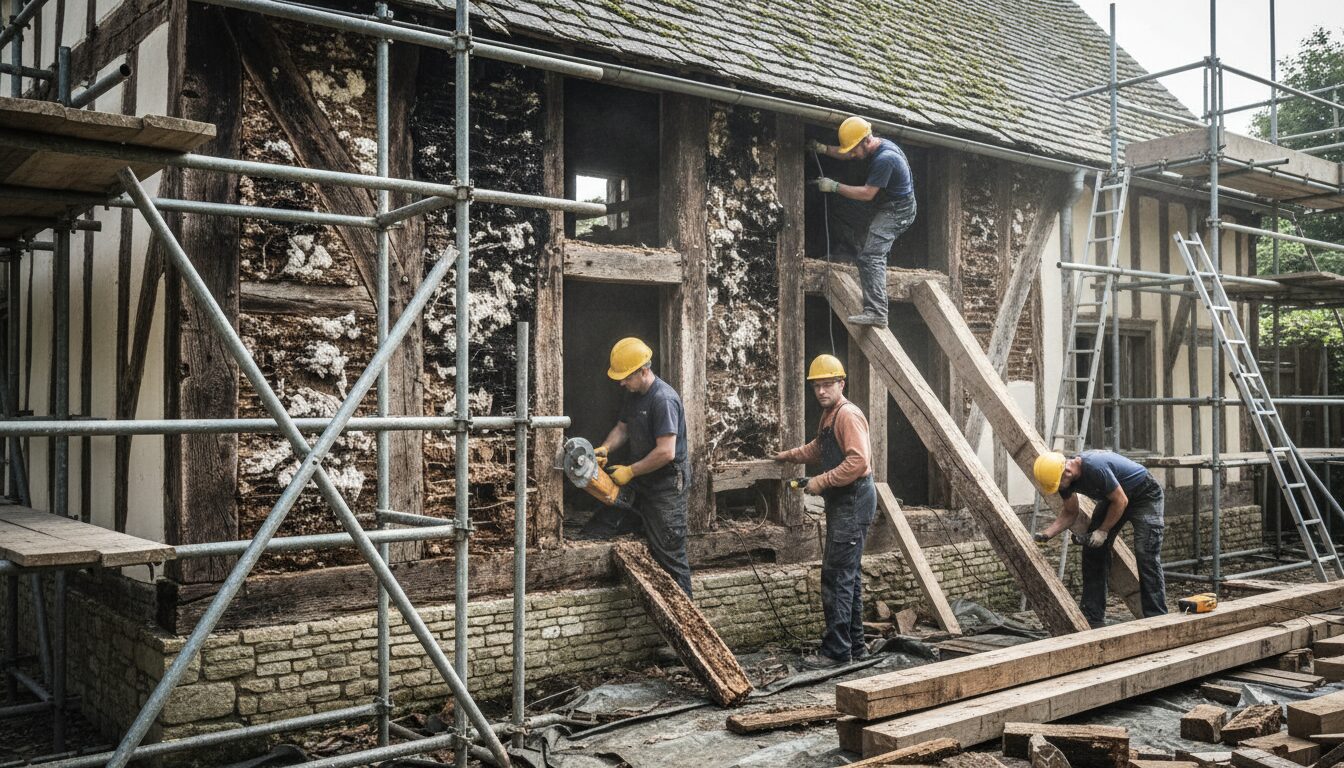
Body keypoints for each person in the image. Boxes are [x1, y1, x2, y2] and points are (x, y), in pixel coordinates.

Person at [773, 354, 875, 668]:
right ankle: (855, 647)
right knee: (848, 576)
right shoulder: (829, 415)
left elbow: (858, 461)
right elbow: (819, 448)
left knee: (836, 576)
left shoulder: (847, 415)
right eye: (816, 386)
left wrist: (822, 480)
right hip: (843, 499)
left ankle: (835, 653)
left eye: (827, 384)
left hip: (853, 497)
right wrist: (788, 456)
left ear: (841, 383)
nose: (821, 390)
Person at [592, 337, 693, 596]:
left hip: (667, 487)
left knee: (670, 555)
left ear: (644, 371)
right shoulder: (634, 395)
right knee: (605, 523)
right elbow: (623, 428)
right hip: (644, 481)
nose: (622, 383)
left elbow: (666, 452)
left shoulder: (663, 400)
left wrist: (631, 471)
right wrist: (605, 448)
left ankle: (688, 624)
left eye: (626, 377)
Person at [1032, 450, 1167, 628]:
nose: (1059, 488)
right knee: (1094, 551)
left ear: (1068, 472)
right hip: (1115, 497)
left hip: (1145, 494)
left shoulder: (1095, 467)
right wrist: (1047, 534)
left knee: (1145, 552)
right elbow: (1070, 512)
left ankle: (1157, 617)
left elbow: (1121, 501)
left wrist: (1103, 531)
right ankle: (1092, 617)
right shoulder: (1063, 479)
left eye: (1058, 484)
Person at [809, 115, 917, 328]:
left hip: (898, 211)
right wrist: (822, 148)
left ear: (866, 141)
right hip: (882, 205)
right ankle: (850, 250)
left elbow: (867, 194)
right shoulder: (871, 146)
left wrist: (834, 186)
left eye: (855, 149)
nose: (854, 154)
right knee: (839, 207)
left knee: (872, 256)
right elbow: (848, 153)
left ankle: (877, 312)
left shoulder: (886, 158)